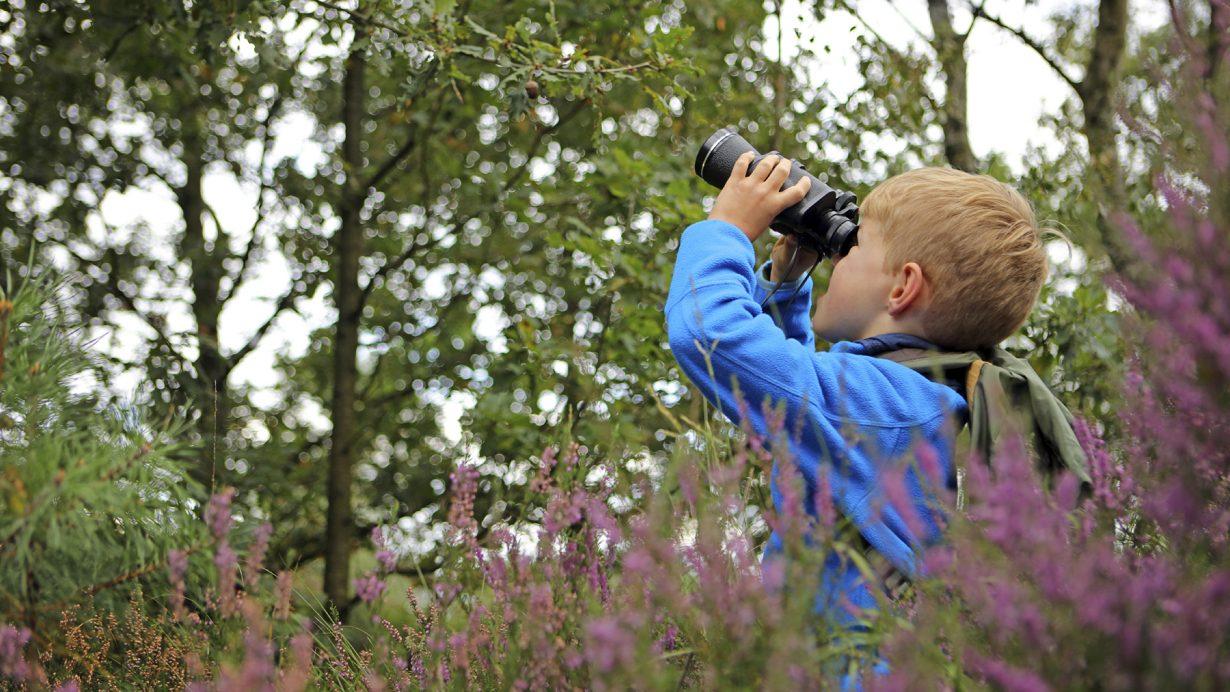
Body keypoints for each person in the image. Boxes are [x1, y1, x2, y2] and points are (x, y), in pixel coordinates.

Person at [663, 153, 1052, 686]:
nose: (838, 254)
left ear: (903, 288)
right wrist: (784, 282)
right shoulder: (917, 401)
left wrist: (726, 228)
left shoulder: (888, 407)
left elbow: (712, 337)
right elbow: (801, 419)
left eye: (855, 245)